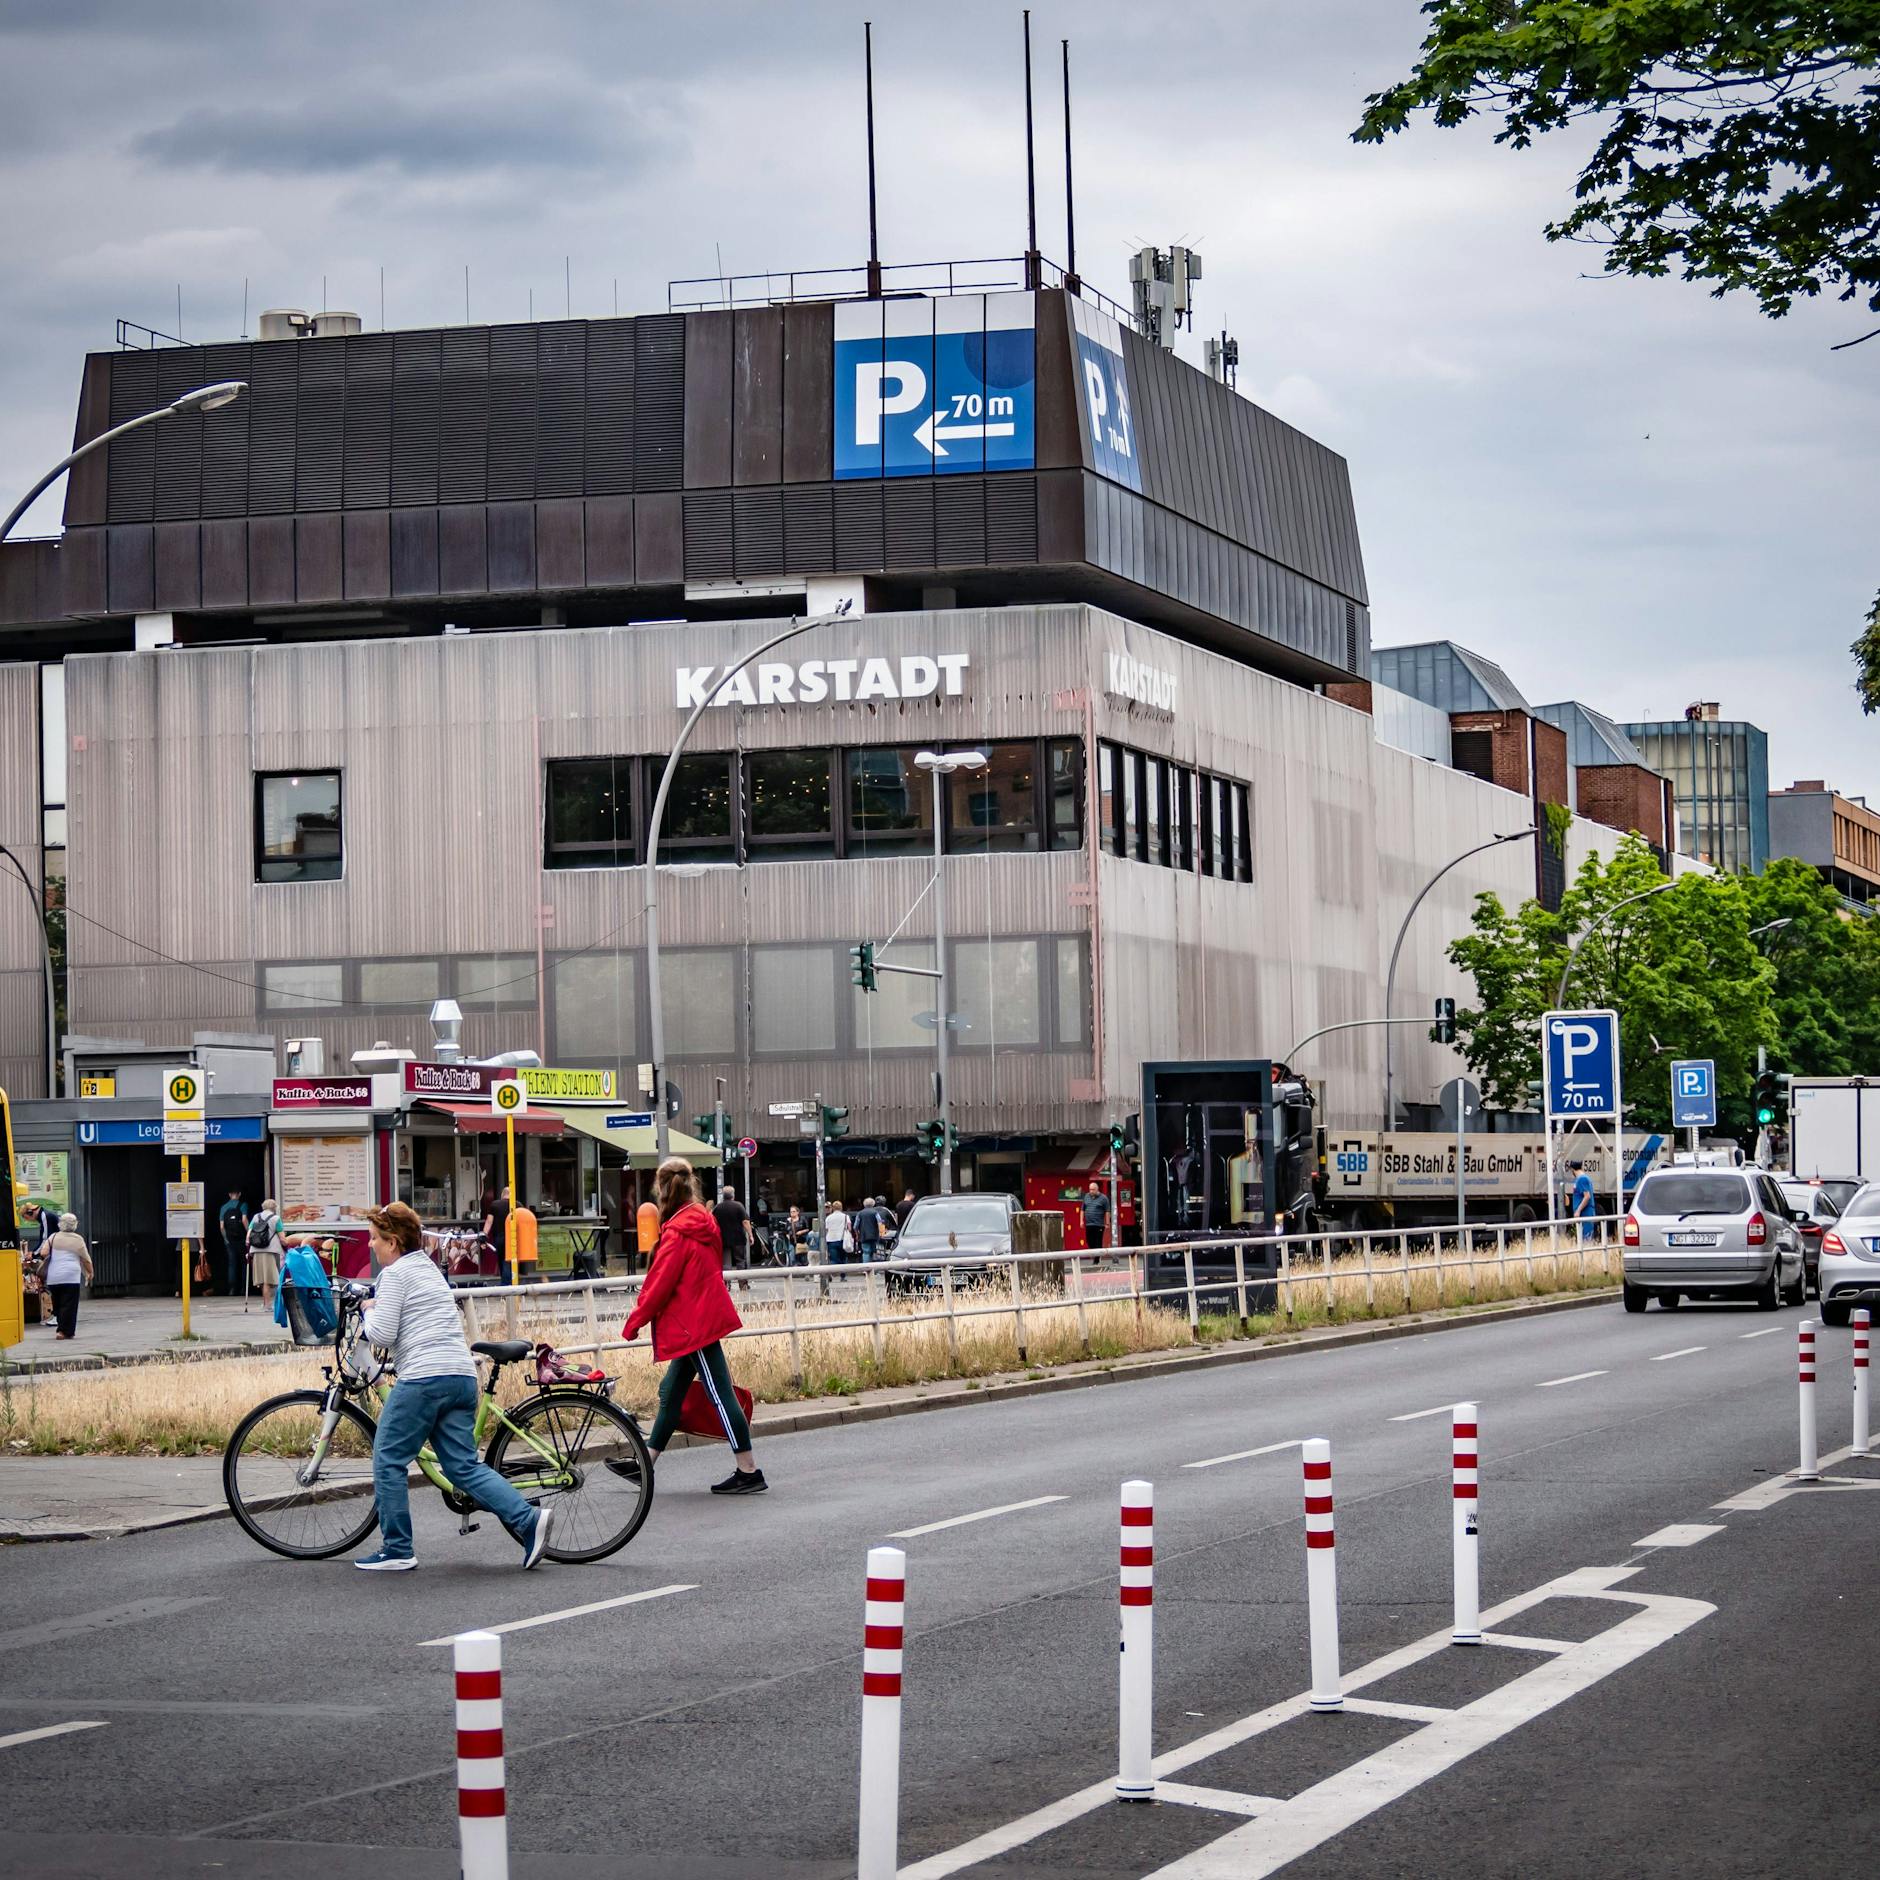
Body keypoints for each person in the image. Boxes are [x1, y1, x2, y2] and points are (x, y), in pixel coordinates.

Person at [353, 1200, 555, 1572]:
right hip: (460, 1376)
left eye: (374, 1239)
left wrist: (368, 1309)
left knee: (388, 1457)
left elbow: (381, 1334)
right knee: (462, 1467)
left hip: (424, 1378)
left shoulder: (394, 1275)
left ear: (393, 1242)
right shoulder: (428, 1270)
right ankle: (528, 1520)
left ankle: (397, 1549)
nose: (371, 1245)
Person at [617, 1158, 766, 1495]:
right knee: (672, 1393)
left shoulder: (678, 1231)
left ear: (661, 1187)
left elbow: (660, 1282)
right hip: (699, 1316)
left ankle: (748, 1469)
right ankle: (645, 1464)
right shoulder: (701, 1220)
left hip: (691, 1322)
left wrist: (635, 1321)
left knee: (718, 1392)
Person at [42, 1212, 92, 1341]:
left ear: (60, 1224)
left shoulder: (53, 1237)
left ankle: (61, 1328)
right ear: (74, 1225)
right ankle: (65, 1331)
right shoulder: (78, 1239)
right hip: (71, 1276)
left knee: (58, 1303)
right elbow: (86, 1260)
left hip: (54, 1277)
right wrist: (90, 1272)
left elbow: (44, 1252)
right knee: (69, 1304)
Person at [712, 1186, 752, 1293]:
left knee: (726, 1264)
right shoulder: (739, 1206)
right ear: (733, 1195)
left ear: (723, 1196)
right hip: (738, 1238)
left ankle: (726, 1285)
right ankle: (743, 1285)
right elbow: (745, 1222)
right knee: (740, 1261)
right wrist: (750, 1235)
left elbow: (712, 1223)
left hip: (723, 1239)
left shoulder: (717, 1207)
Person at [248, 1197, 285, 1309]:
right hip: (271, 1251)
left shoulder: (256, 1217)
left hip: (256, 1250)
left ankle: (266, 1303)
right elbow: (282, 1238)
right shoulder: (276, 1219)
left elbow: (248, 1235)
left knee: (262, 1279)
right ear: (274, 1208)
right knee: (268, 1279)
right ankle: (268, 1305)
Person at [217, 1188, 249, 1297]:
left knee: (232, 1264)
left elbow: (221, 1227)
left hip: (229, 1241)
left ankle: (232, 1289)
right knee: (244, 1263)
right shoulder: (243, 1205)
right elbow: (244, 1220)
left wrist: (226, 1239)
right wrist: (248, 1234)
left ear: (229, 1194)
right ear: (239, 1194)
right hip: (242, 1239)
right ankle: (244, 1289)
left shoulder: (224, 1207)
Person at [481, 1186, 511, 1272]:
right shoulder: (517, 1205)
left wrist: (484, 1235)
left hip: (499, 1237)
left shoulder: (495, 1204)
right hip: (513, 1237)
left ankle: (505, 1282)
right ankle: (507, 1283)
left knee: (502, 1260)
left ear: (502, 1194)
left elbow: (489, 1222)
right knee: (509, 1261)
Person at [1569, 1161, 1597, 1241]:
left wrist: (1578, 1210)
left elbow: (1587, 1196)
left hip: (1585, 1213)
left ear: (1572, 1169)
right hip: (1584, 1213)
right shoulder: (1583, 1178)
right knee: (1584, 1238)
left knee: (1586, 1238)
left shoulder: (1582, 1179)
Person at [1081, 1179, 1112, 1250]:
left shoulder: (1104, 1198)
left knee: (1098, 1242)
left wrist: (1107, 1223)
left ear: (1097, 1189)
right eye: (1090, 1189)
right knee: (1089, 1241)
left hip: (1099, 1224)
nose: (1091, 1191)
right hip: (1089, 1223)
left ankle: (1097, 1259)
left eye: (1093, 1190)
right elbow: (1082, 1209)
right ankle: (1096, 1254)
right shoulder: (1086, 1196)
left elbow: (1107, 1211)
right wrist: (1081, 1221)